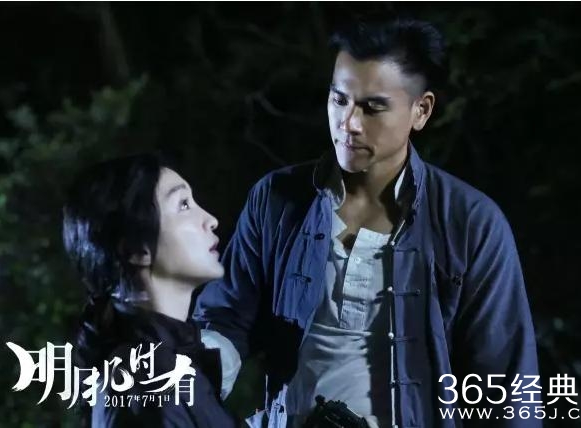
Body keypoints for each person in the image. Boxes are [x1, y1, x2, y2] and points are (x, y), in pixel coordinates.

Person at [195, 13, 541, 428]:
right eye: (339, 100)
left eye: (373, 108)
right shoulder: (278, 200)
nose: (349, 124)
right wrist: (196, 374)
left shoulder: (470, 223)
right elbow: (226, 314)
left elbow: (505, 382)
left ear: (421, 110)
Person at [63, 154, 239, 427]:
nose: (211, 220)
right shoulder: (148, 384)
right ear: (136, 249)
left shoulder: (166, 365)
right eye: (183, 204)